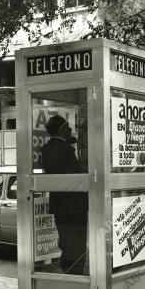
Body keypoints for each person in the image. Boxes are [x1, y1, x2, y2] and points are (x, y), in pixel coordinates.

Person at [42, 115, 88, 275]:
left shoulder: (46, 149)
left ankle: (68, 272)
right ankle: (75, 274)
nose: (70, 130)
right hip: (74, 206)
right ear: (61, 129)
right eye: (68, 128)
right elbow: (75, 178)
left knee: (66, 242)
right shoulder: (66, 150)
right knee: (78, 243)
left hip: (59, 206)